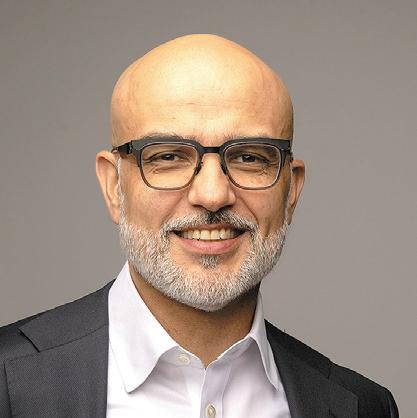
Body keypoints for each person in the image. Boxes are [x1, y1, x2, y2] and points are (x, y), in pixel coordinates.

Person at [0, 34, 398, 418]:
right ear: (113, 187)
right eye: (169, 156)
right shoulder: (7, 381)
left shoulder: (361, 407)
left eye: (249, 157)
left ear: (291, 191)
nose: (212, 195)